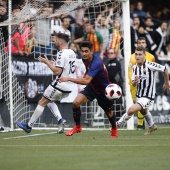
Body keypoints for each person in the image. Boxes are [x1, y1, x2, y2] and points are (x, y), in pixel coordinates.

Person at [17, 33, 77, 134]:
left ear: (61, 42)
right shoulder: (72, 52)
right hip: (70, 85)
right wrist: (55, 64)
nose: (54, 42)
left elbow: (57, 72)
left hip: (61, 84)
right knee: (48, 100)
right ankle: (60, 120)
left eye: (56, 40)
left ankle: (29, 126)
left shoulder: (61, 53)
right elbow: (65, 67)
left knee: (42, 102)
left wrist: (47, 63)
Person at [59, 41, 118, 138]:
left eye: (86, 51)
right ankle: (78, 127)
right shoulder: (84, 59)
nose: (84, 53)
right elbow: (88, 73)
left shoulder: (96, 63)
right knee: (75, 103)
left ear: (92, 51)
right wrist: (87, 73)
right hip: (92, 87)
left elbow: (86, 81)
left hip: (103, 90)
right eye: (82, 51)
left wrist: (68, 78)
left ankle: (114, 129)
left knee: (109, 112)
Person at [117, 46, 170, 135]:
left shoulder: (150, 65)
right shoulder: (134, 68)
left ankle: (116, 125)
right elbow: (133, 83)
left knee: (131, 110)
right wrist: (135, 81)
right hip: (139, 95)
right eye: (136, 54)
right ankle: (152, 125)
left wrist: (167, 82)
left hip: (148, 96)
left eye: (140, 54)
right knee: (144, 111)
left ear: (144, 55)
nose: (137, 56)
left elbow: (164, 69)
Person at [128, 37, 156, 130]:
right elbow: (130, 71)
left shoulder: (151, 57)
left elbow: (153, 71)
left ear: (146, 44)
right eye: (139, 42)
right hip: (135, 84)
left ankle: (140, 124)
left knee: (141, 104)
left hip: (147, 85)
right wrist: (134, 82)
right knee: (136, 104)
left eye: (143, 42)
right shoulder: (132, 57)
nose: (141, 44)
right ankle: (145, 123)